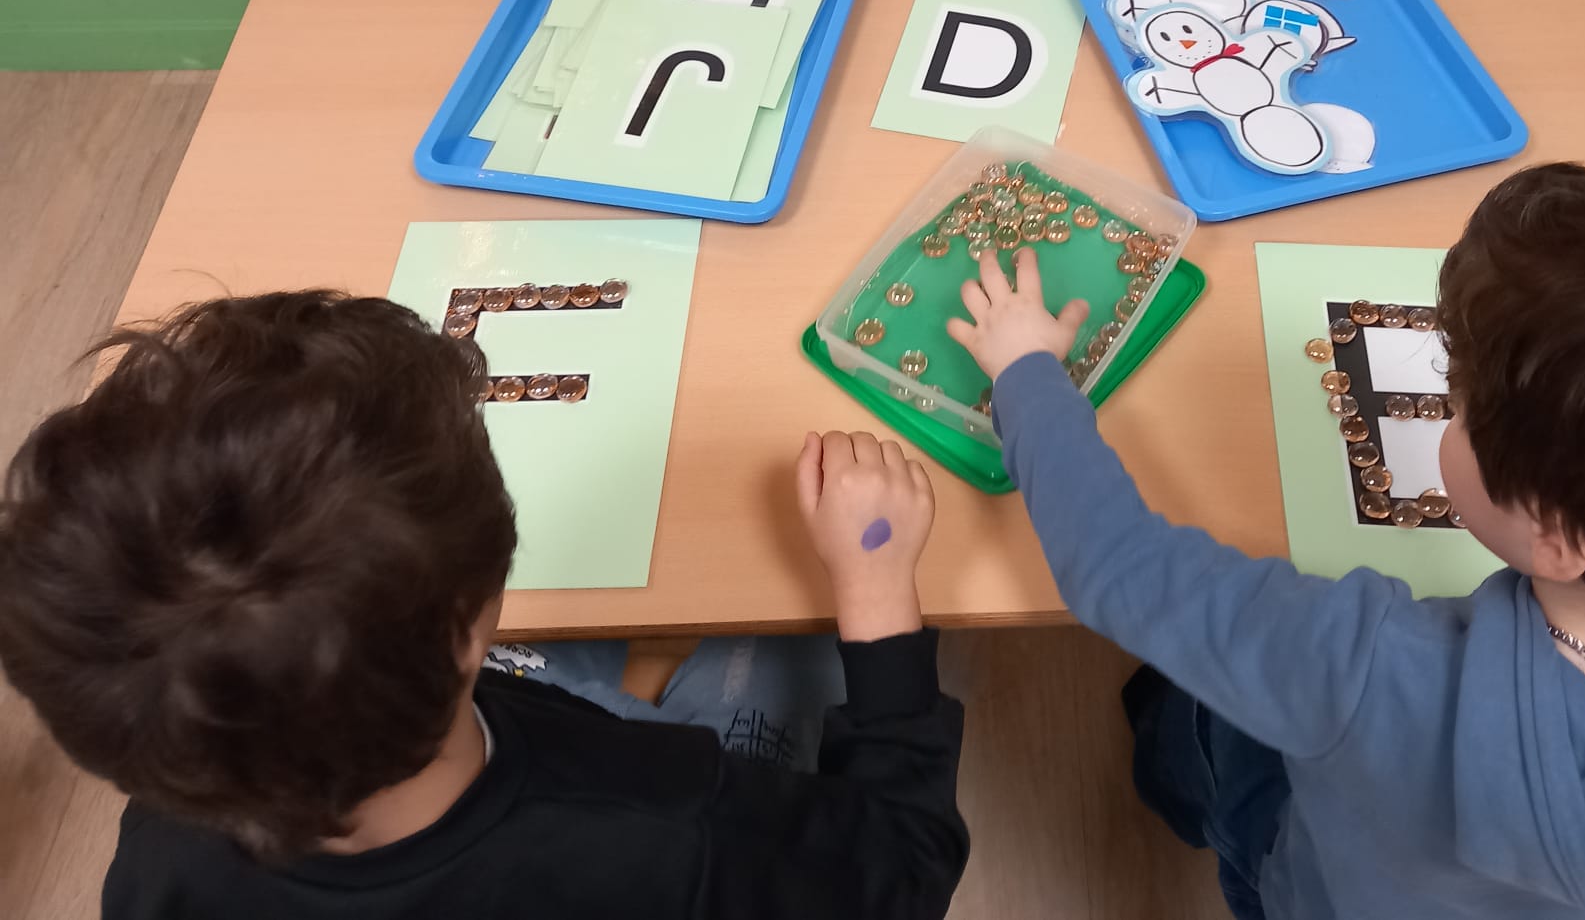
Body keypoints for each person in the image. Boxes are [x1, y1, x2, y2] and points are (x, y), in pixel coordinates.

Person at [945, 163, 1585, 920]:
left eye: (1457, 400)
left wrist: (1028, 373)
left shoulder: (1374, 667)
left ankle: (1177, 786)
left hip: (1318, 889)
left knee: (1198, 721)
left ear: (1554, 534)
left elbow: (1121, 569)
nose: (1446, 406)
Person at [0, 291, 966, 919]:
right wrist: (875, 580)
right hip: (641, 818)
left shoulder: (159, 861)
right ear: (469, 622)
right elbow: (905, 862)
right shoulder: (672, 830)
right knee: (779, 640)